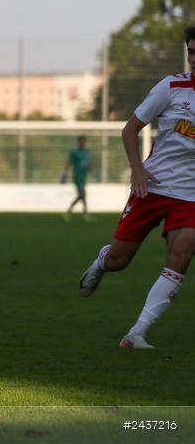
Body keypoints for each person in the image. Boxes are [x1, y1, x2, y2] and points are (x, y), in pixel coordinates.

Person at [78, 27, 195, 349]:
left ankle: (138, 331)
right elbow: (130, 129)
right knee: (120, 260)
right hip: (153, 187)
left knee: (182, 254)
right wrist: (138, 170)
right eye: (192, 52)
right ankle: (102, 262)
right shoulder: (171, 87)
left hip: (190, 196)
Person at [62, 135, 93, 221]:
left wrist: (93, 173)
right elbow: (68, 163)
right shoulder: (74, 152)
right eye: (81, 141)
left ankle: (70, 212)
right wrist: (64, 175)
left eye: (84, 141)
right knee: (83, 194)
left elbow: (88, 164)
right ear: (78, 141)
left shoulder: (86, 151)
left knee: (82, 196)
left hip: (83, 177)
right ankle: (85, 214)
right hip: (77, 177)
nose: (82, 142)